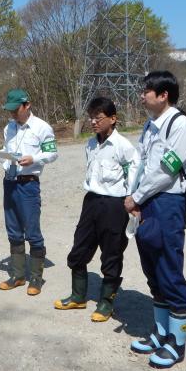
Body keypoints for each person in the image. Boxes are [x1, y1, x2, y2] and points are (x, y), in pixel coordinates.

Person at [125, 71, 186, 369]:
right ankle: (160, 332)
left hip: (167, 203)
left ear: (163, 94)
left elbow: (167, 170)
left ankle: (176, 344)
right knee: (153, 269)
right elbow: (142, 165)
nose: (142, 95)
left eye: (147, 91)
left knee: (169, 269)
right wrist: (135, 196)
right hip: (146, 201)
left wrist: (137, 197)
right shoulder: (150, 126)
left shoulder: (181, 125)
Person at [54, 97, 136, 321]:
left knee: (111, 254)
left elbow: (134, 177)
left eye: (98, 118)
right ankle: (78, 296)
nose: (93, 122)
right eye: (91, 117)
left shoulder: (124, 147)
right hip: (91, 202)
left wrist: (133, 202)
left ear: (113, 118)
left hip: (114, 205)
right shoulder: (90, 144)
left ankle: (106, 302)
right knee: (79, 249)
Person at [0, 88, 58, 296]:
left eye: (15, 109)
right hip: (9, 183)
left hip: (28, 184)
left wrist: (33, 159)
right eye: (9, 110)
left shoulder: (42, 127)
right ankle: (18, 275)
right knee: (13, 229)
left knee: (32, 231)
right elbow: (8, 150)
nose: (12, 114)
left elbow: (53, 153)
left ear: (27, 105)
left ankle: (36, 277)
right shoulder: (8, 127)